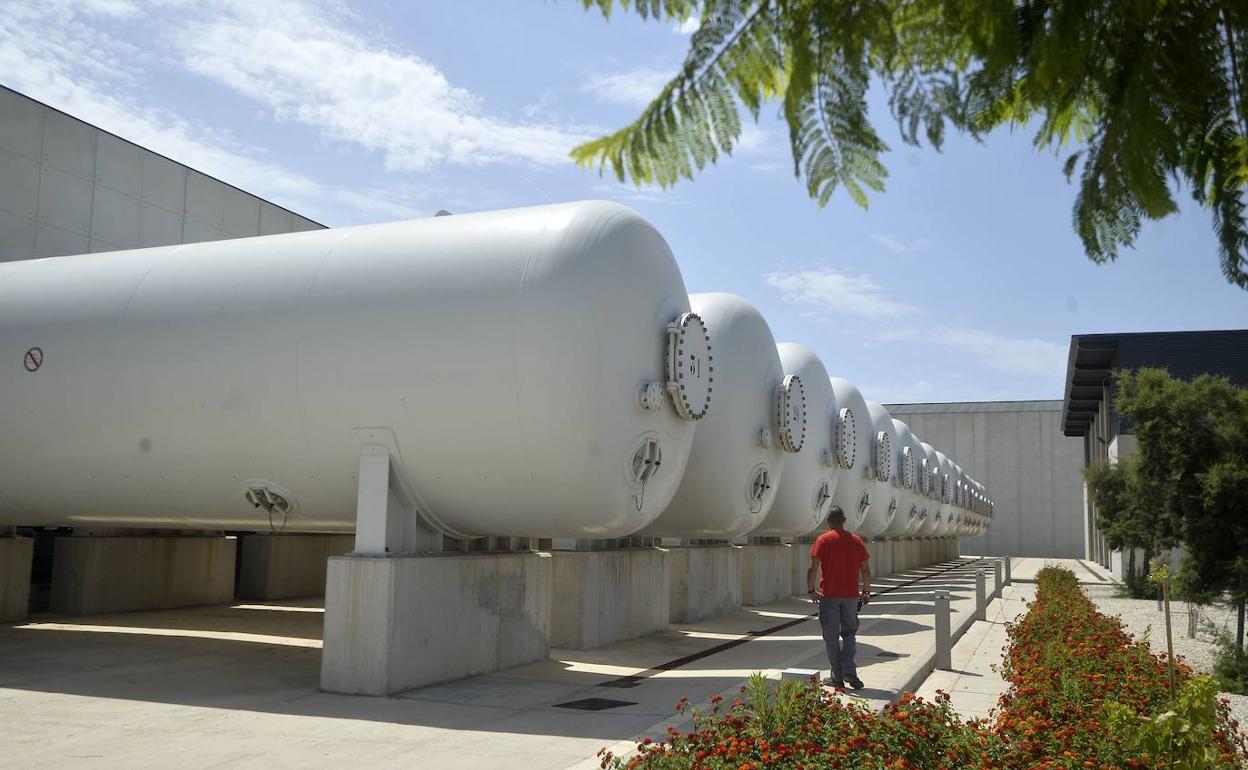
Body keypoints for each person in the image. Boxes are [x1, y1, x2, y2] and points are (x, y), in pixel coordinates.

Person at [806, 506, 870, 689]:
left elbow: (813, 567)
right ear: (844, 519)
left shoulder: (823, 540)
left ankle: (837, 677)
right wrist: (866, 592)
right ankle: (848, 670)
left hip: (829, 597)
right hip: (851, 596)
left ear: (828, 521)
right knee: (850, 634)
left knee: (831, 637)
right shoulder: (856, 541)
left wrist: (811, 590)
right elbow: (865, 569)